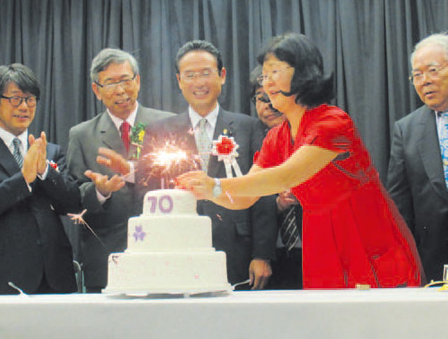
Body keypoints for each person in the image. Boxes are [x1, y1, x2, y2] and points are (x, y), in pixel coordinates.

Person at [177, 33, 424, 289]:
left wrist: (216, 185)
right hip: (320, 242)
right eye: (264, 74)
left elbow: (286, 176)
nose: (267, 82)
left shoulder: (333, 123)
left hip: (363, 235)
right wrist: (204, 191)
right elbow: (245, 195)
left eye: (275, 72)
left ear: (304, 73)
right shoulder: (276, 137)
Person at [136, 40, 277, 289]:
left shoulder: (249, 127)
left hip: (237, 250)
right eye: (190, 75)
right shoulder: (159, 132)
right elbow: (146, 192)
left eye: (205, 73)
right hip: (175, 251)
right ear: (179, 81)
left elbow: (263, 193)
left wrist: (262, 254)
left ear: (222, 76)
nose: (199, 83)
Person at [0, 64, 81, 295]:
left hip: (54, 276)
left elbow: (73, 204)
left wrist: (44, 171)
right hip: (2, 276)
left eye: (30, 99)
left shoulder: (50, 152)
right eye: (15, 99)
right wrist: (23, 178)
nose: (24, 107)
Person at [66, 48, 174, 293]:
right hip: (106, 256)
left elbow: (181, 180)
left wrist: (132, 171)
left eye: (126, 80)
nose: (121, 90)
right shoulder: (82, 135)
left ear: (137, 81)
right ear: (97, 90)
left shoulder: (167, 124)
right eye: (111, 83)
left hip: (162, 250)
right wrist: (99, 192)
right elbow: (72, 198)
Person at [387, 33, 448, 283]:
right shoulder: (407, 129)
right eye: (417, 75)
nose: (424, 81)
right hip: (434, 262)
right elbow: (399, 205)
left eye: (432, 70)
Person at [250, 65, 303, 290]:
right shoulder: (249, 140)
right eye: (262, 98)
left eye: (276, 95)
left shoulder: (314, 133)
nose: (270, 105)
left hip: (315, 248)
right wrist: (276, 204)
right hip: (270, 254)